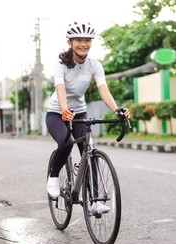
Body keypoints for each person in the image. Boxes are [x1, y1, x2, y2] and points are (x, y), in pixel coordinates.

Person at [46, 21, 129, 214]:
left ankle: (94, 201)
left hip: (80, 113)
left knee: (89, 151)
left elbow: (104, 91)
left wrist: (117, 110)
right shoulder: (61, 65)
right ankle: (54, 176)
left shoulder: (94, 65)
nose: (83, 44)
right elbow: (60, 90)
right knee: (66, 144)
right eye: (78, 40)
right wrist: (64, 109)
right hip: (57, 113)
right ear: (70, 42)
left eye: (87, 40)